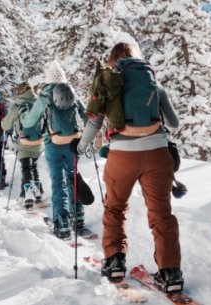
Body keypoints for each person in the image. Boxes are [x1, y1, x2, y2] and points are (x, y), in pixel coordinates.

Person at [75, 42, 183, 292]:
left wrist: (80, 149)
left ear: (113, 62)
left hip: (122, 155)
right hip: (157, 154)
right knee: (162, 214)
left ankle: (114, 261)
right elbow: (174, 123)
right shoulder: (152, 83)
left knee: (114, 207)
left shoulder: (110, 84)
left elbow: (93, 124)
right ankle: (171, 274)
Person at [20, 60, 89, 239]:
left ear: (49, 79)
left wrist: (23, 115)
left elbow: (29, 122)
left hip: (53, 143)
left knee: (58, 182)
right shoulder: (71, 91)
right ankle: (78, 217)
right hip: (73, 142)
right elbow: (87, 115)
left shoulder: (45, 95)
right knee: (73, 177)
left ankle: (62, 222)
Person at [1, 82, 45, 209]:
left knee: (26, 167)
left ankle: (28, 193)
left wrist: (4, 120)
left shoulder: (17, 106)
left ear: (20, 92)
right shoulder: (38, 103)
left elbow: (5, 126)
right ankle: (37, 193)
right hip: (38, 141)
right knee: (33, 166)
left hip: (24, 142)